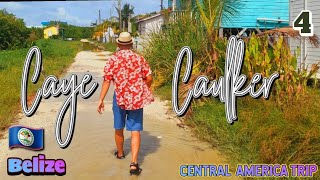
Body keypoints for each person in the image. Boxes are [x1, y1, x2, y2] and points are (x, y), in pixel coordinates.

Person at [97, 32, 154, 175]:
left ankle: (121, 154)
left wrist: (101, 99)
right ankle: (134, 164)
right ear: (131, 44)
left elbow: (107, 81)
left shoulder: (113, 59)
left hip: (120, 98)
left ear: (118, 44)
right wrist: (141, 88)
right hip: (136, 98)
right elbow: (149, 78)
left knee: (118, 128)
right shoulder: (139, 58)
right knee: (135, 131)